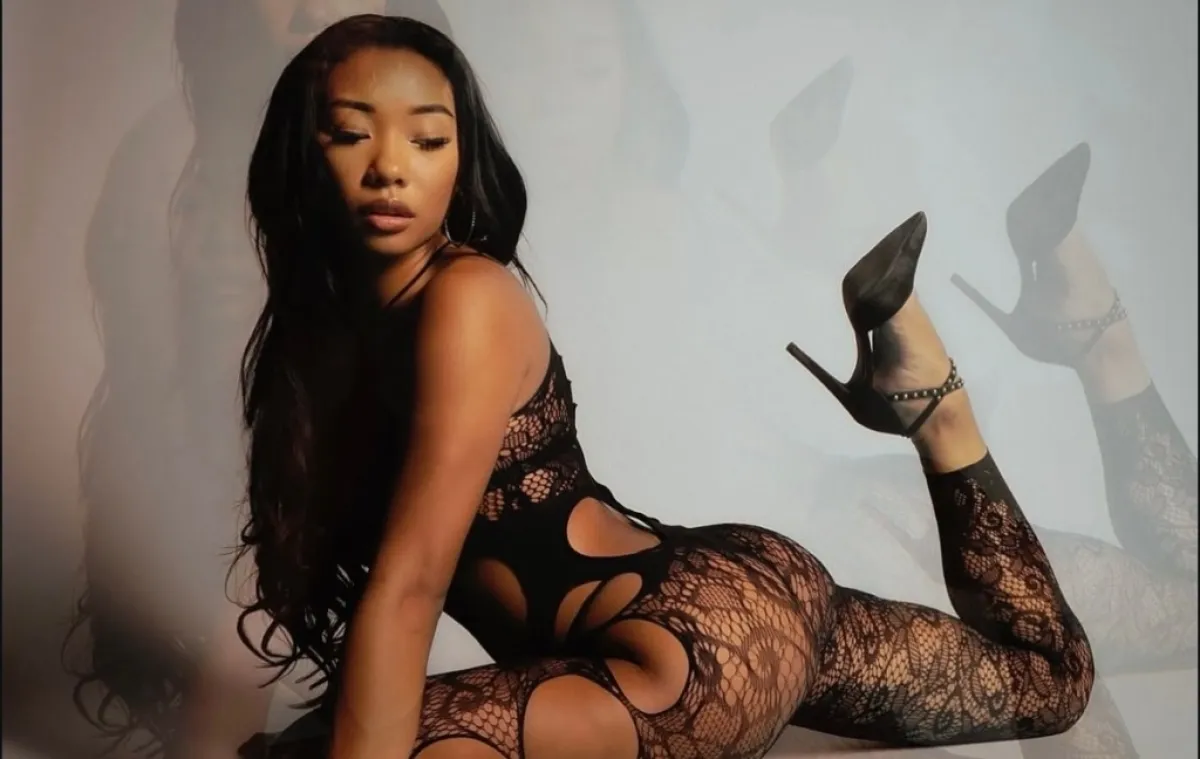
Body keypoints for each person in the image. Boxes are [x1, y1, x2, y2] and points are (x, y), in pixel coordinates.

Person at [230, 14, 1095, 759]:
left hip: (684, 654)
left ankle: (943, 412)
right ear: (302, 152)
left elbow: (410, 586)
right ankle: (934, 411)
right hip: (730, 589)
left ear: (461, 160)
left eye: (427, 139)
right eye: (351, 133)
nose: (390, 167)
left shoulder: (467, 299)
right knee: (1048, 681)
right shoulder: (329, 335)